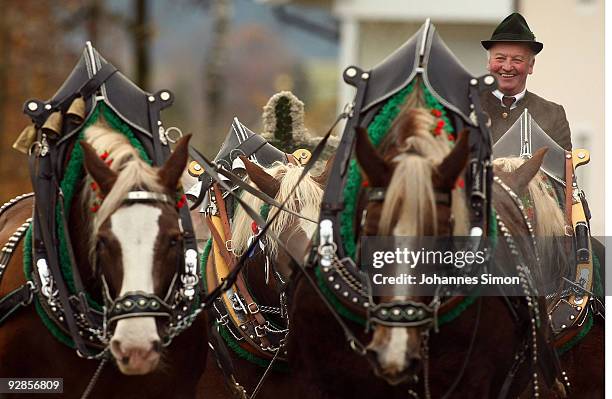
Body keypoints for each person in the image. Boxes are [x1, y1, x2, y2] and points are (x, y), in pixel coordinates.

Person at [480, 12, 572, 150]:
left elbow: (564, 170)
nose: (507, 67)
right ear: (488, 62)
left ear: (531, 65)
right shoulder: (467, 106)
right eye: (500, 58)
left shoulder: (553, 115)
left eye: (517, 60)